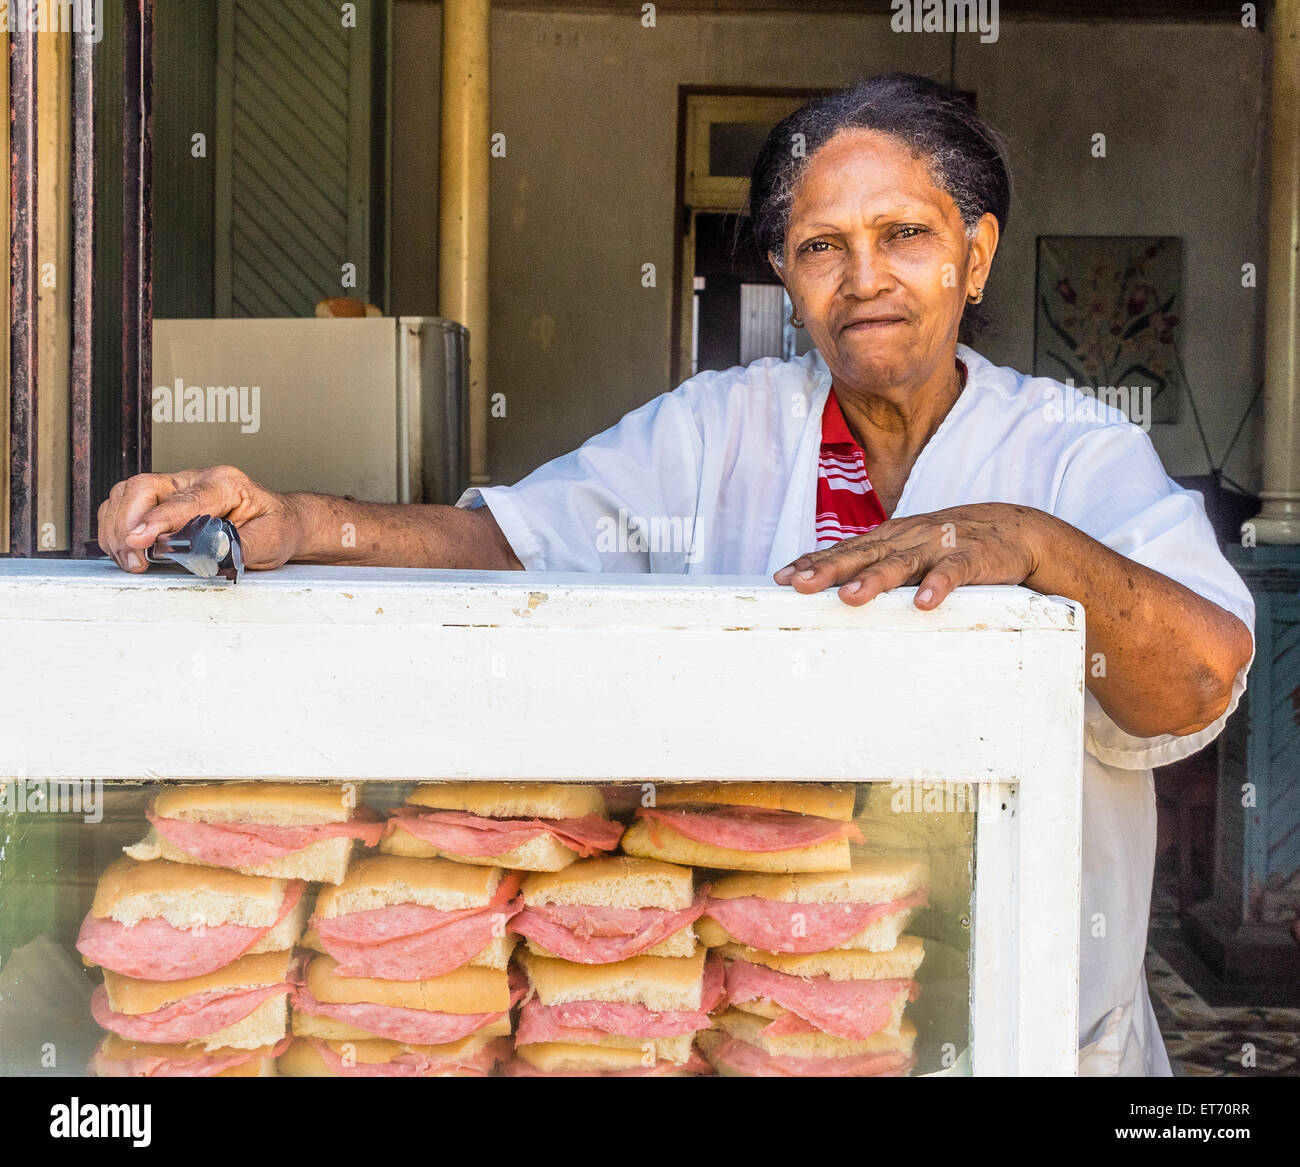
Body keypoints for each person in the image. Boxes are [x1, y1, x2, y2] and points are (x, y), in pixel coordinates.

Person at [97, 73, 1253, 1075]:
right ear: (786, 276)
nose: (864, 277)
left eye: (904, 233)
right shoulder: (719, 429)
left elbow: (1199, 680)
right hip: (783, 1005)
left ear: (975, 250)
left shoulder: (1070, 452)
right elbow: (507, 542)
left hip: (1025, 1005)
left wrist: (1034, 543)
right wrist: (298, 519)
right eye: (820, 246)